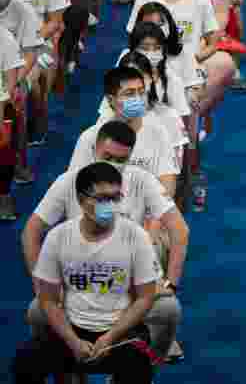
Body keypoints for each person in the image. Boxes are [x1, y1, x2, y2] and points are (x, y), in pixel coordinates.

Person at [11, 163, 160, 384]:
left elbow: (146, 297)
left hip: (121, 333)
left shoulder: (136, 236)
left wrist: (110, 337)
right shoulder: (58, 237)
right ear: (81, 200)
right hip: (72, 329)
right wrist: (72, 340)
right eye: (101, 198)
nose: (108, 206)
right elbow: (48, 299)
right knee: (24, 363)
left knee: (139, 367)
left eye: (114, 198)